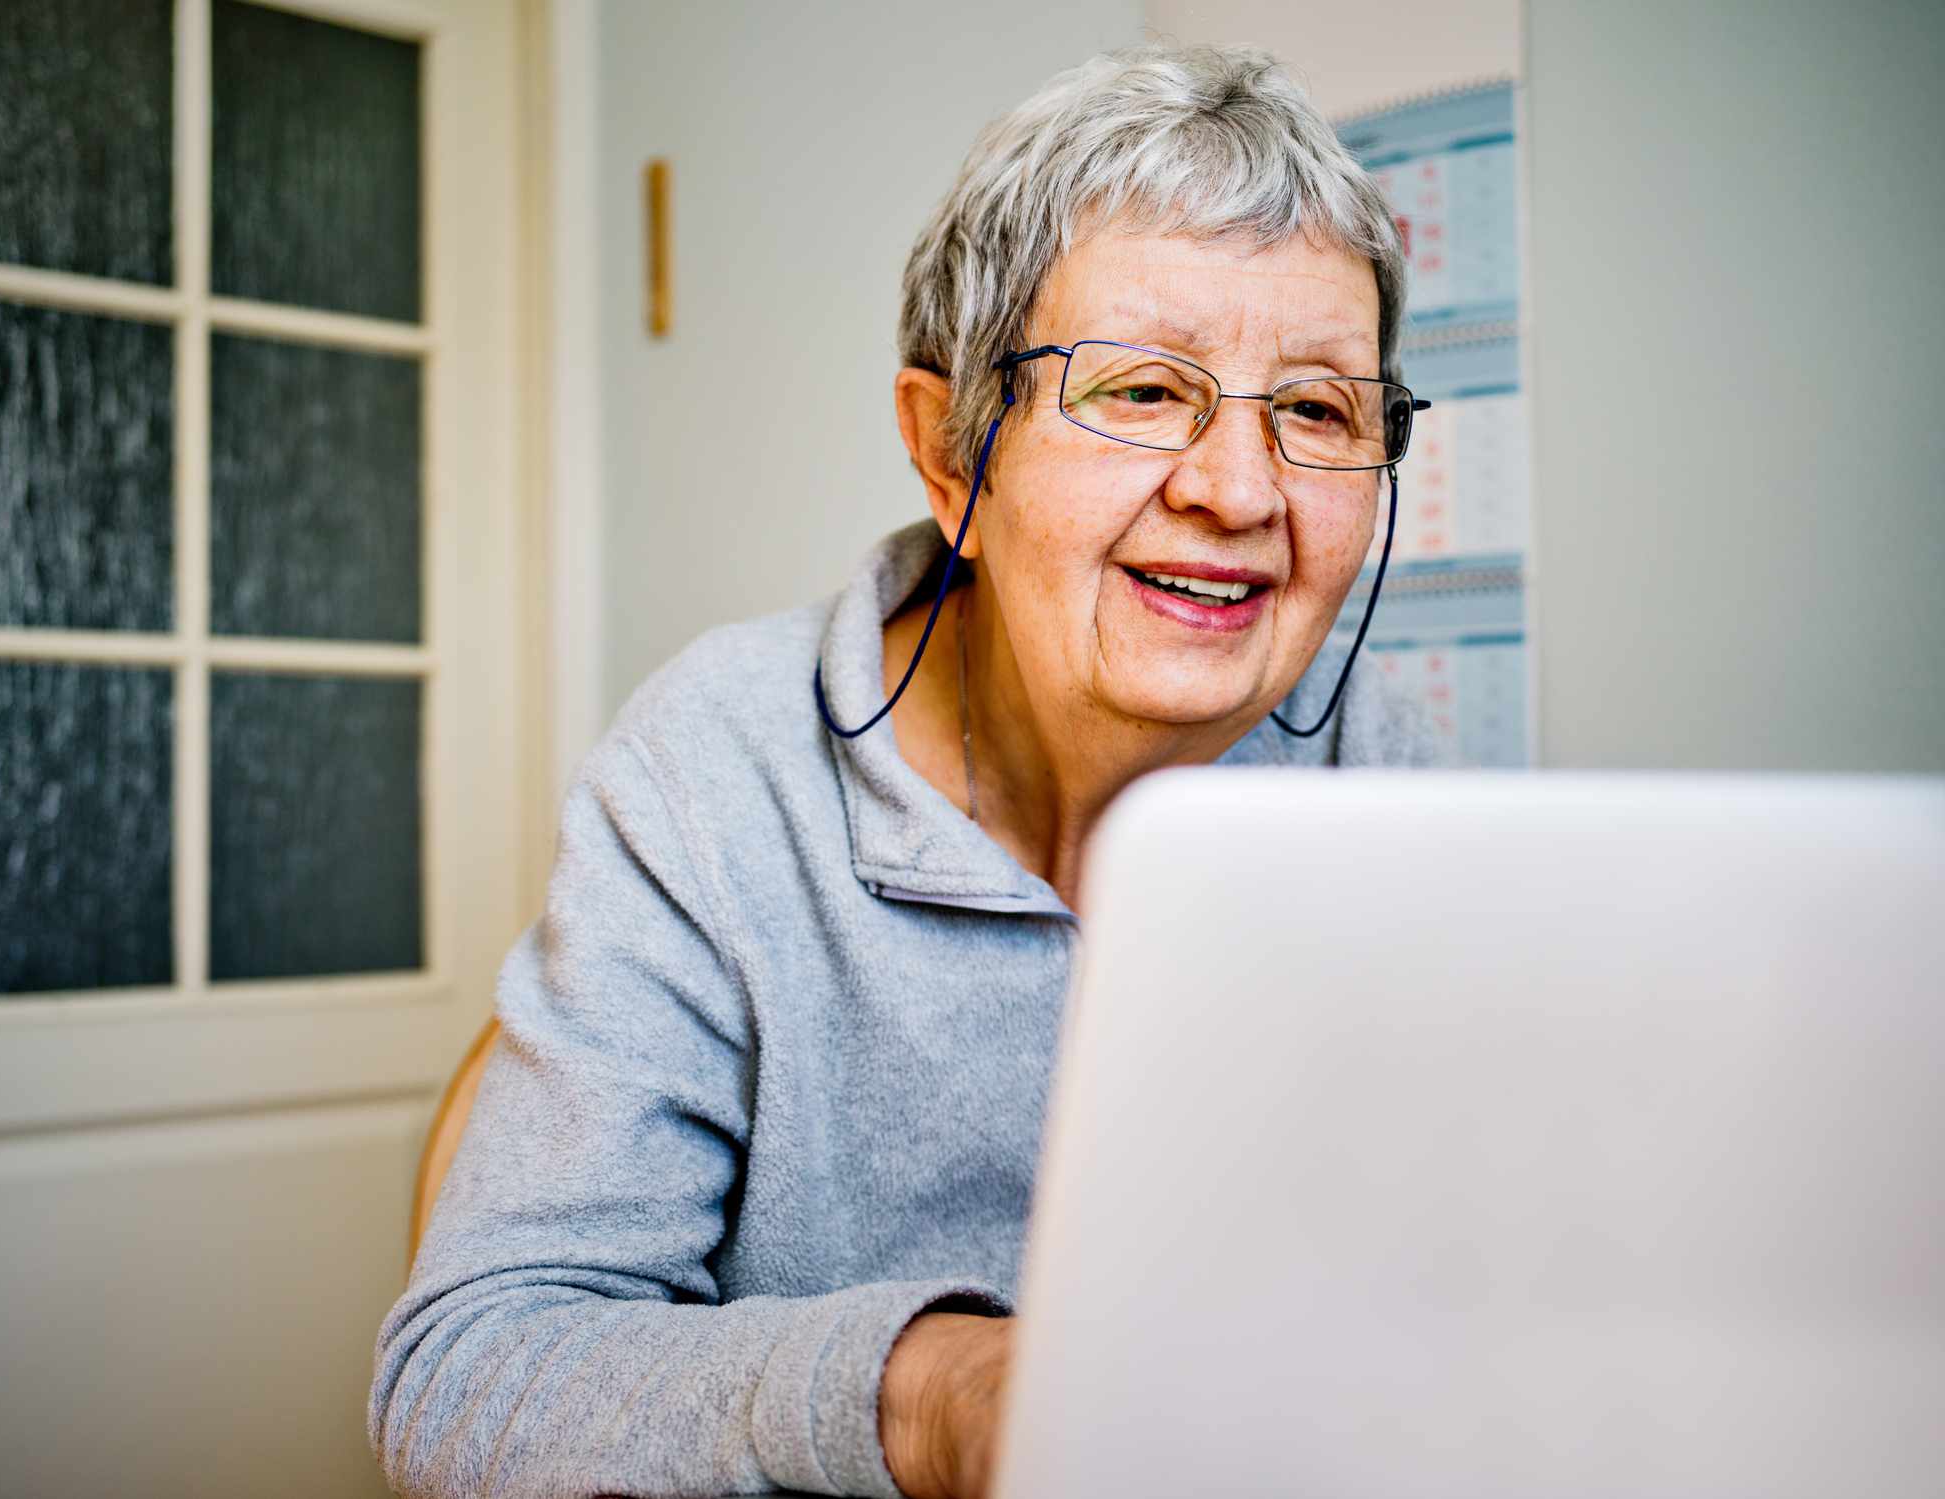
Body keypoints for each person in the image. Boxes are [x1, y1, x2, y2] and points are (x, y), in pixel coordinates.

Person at [372, 43, 1439, 1499]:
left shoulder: (1392, 779)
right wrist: (934, 1396)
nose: (1239, 492)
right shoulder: (722, 770)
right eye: (1138, 390)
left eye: (1318, 411)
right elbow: (474, 1374)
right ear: (951, 460)